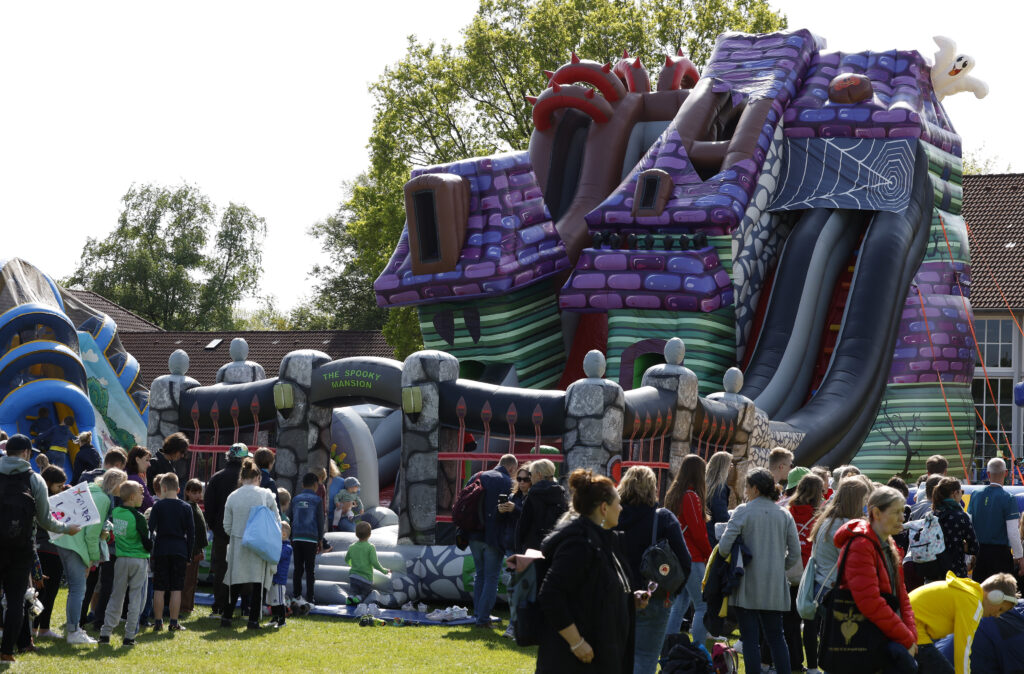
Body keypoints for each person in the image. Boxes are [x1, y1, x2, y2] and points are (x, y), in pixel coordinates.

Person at [537, 468, 645, 672]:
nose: (621, 508)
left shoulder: (605, 541)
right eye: (618, 503)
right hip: (575, 662)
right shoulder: (579, 544)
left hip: (603, 655)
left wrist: (629, 599)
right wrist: (576, 642)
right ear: (604, 508)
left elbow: (595, 589)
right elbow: (551, 594)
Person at [0, 434, 80, 663]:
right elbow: (46, 520)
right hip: (21, 547)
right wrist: (67, 528)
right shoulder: (34, 479)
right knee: (16, 600)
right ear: (26, 453)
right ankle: (6, 653)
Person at [716, 467, 801, 673]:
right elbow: (795, 552)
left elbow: (724, 547)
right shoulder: (784, 514)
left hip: (747, 582)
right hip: (774, 584)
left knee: (750, 640)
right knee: (776, 638)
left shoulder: (743, 511)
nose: (745, 490)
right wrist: (780, 568)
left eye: (746, 486)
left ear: (754, 488)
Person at [832, 486, 917, 673]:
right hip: (865, 639)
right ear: (876, 513)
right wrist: (906, 637)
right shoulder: (861, 545)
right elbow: (869, 601)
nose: (902, 518)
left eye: (903, 511)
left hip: (884, 633)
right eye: (896, 512)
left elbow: (901, 593)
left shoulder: (888, 542)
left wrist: (911, 634)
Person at [615, 465, 690, 674]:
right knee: (645, 658)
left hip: (616, 596)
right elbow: (685, 562)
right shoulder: (663, 518)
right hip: (653, 597)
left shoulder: (612, 516)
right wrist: (670, 592)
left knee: (614, 656)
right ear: (653, 487)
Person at [910, 571, 1019, 674]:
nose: (997, 615)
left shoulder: (968, 591)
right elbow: (963, 649)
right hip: (915, 631)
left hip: (911, 626)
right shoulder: (973, 603)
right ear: (995, 596)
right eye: (1000, 609)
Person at [50, 464, 110, 645]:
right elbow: (91, 535)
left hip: (63, 541)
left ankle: (72, 628)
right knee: (78, 589)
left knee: (74, 590)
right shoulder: (104, 499)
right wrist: (92, 560)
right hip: (75, 544)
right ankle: (74, 631)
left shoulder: (89, 490)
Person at [221, 457, 281, 629]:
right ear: (258, 478)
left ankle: (226, 617)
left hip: (238, 543)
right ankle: (253, 620)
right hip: (260, 544)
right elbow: (276, 521)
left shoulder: (233, 496)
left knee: (236, 582)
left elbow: (226, 525)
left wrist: (238, 535)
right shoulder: (266, 495)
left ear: (242, 477)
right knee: (258, 582)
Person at [664, 454, 711, 646]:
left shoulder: (674, 494)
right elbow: (698, 532)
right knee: (702, 606)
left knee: (680, 604)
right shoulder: (691, 496)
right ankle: (698, 650)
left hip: (679, 556)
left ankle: (667, 648)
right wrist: (709, 554)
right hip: (693, 557)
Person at [467, 453, 518, 628]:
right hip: (493, 537)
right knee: (491, 578)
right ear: (512, 468)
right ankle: (483, 619)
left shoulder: (478, 476)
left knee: (480, 575)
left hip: (474, 535)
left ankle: (477, 615)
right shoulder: (507, 482)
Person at [99, 481, 152, 646]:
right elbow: (147, 543)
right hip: (139, 560)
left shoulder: (116, 512)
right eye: (140, 494)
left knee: (117, 596)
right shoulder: (139, 517)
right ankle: (129, 636)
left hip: (121, 560)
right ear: (132, 497)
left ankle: (105, 633)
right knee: (136, 599)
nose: (143, 496)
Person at [784, 472, 825, 674]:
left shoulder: (787, 511)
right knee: (810, 622)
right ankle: (812, 666)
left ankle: (793, 662)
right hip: (810, 573)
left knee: (790, 621)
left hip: (789, 571)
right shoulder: (819, 516)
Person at [203, 442, 248, 616]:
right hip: (244, 532)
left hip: (222, 532)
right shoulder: (248, 479)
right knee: (244, 567)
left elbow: (209, 505)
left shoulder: (217, 477)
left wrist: (215, 526)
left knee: (221, 568)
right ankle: (245, 607)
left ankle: (219, 606)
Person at [149, 472, 195, 632]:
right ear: (178, 488)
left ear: (162, 488)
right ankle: (174, 622)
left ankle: (157, 621)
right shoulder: (186, 507)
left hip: (161, 548)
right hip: (180, 550)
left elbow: (150, 529)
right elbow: (191, 534)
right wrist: (189, 554)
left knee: (159, 588)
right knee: (176, 588)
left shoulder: (158, 506)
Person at [87, 468, 128, 632]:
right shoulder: (108, 499)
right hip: (107, 547)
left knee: (99, 585)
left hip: (104, 547)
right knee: (106, 586)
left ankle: (94, 618)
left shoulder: (101, 494)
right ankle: (99, 620)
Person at [968, 457, 1024, 580]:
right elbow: (1013, 533)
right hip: (1000, 555)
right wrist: (1020, 557)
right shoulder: (1008, 498)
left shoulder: (975, 495)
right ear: (1006, 473)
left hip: (979, 554)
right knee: (1002, 594)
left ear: (988, 474)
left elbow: (969, 524)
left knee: (980, 593)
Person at [33, 466, 70, 640]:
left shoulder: (42, 496)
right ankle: (38, 628)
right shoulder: (44, 499)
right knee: (43, 591)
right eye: (59, 485)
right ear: (48, 483)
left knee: (48, 591)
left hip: (49, 549)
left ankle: (42, 628)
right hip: (47, 549)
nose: (61, 489)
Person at [920, 477, 978, 583]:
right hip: (955, 573)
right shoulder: (961, 516)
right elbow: (974, 547)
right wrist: (961, 545)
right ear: (955, 493)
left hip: (932, 573)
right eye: (961, 492)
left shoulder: (931, 515)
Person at [515, 458, 568, 554]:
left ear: (539, 475)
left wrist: (519, 547)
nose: (530, 478)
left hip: (532, 547)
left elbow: (524, 524)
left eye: (530, 474)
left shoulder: (533, 494)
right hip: (553, 546)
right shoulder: (561, 494)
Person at [290, 472, 324, 605]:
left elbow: (292, 518)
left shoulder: (295, 499)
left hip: (297, 537)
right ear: (316, 485)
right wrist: (320, 538)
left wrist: (292, 535)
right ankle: (310, 598)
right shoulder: (317, 500)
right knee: (310, 570)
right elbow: (320, 520)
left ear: (303, 485)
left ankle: (296, 596)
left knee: (297, 569)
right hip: (311, 538)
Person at [346, 521, 391, 602]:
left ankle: (350, 598)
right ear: (370, 534)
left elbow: (346, 559)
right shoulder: (370, 547)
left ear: (356, 534)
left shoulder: (352, 546)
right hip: (366, 578)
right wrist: (384, 571)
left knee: (353, 590)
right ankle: (359, 598)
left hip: (353, 576)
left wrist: (352, 564)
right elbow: (374, 563)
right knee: (365, 592)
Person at [181, 478, 208, 615]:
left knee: (193, 580)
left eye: (200, 492)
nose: (198, 495)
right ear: (187, 492)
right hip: (190, 551)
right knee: (188, 580)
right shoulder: (187, 507)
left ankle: (189, 605)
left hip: (197, 549)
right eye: (194, 492)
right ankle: (184, 606)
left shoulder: (195, 507)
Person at [499, 462, 530, 555]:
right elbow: (503, 520)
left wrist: (515, 509)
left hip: (527, 546)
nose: (522, 482)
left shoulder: (534, 497)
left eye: (526, 479)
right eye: (519, 479)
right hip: (511, 545)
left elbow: (531, 519)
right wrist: (500, 510)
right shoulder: (513, 496)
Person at [705, 451, 734, 544]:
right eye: (730, 464)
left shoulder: (705, 484)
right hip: (712, 536)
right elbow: (721, 517)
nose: (732, 466)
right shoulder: (720, 488)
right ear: (723, 467)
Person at [268, 522, 292, 627]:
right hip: (273, 577)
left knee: (279, 601)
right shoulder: (280, 546)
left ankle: (282, 621)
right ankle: (275, 619)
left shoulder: (287, 548)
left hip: (279, 579)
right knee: (272, 601)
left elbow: (278, 557)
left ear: (283, 534)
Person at [125, 446, 155, 510]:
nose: (149, 464)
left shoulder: (124, 473)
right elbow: (149, 504)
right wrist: (144, 485)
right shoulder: (135, 479)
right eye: (147, 460)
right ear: (137, 459)